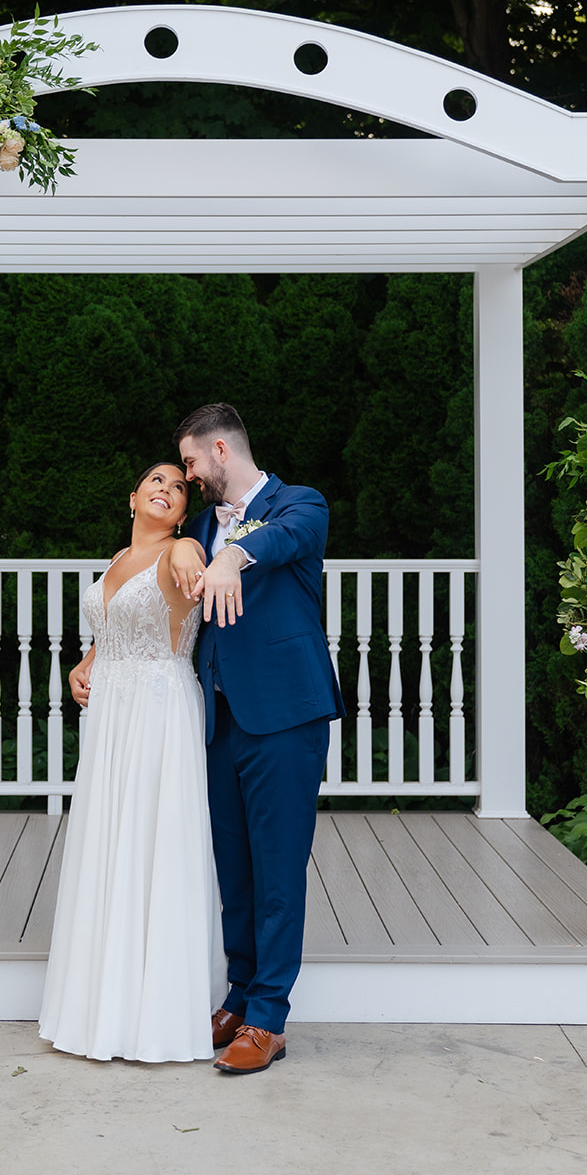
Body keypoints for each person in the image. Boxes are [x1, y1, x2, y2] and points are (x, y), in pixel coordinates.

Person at [170, 403, 346, 1075]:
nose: (187, 475)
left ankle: (269, 1017)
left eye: (189, 461)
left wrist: (233, 555)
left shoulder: (298, 503)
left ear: (220, 449)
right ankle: (240, 995)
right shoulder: (196, 528)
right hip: (218, 720)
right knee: (235, 870)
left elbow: (282, 540)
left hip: (282, 718)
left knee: (277, 869)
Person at [38, 462, 226, 1062]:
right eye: (156, 481)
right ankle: (101, 1009)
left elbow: (189, 569)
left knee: (154, 841)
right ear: (133, 497)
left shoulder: (183, 548)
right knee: (110, 842)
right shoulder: (118, 558)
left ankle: (158, 1015)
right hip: (111, 714)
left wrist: (191, 552)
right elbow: (113, 625)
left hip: (158, 708)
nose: (168, 490)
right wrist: (84, 663)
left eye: (179, 486)